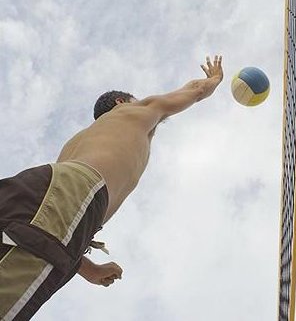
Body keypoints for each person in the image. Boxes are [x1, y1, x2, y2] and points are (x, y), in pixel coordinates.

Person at [0, 55, 223, 320]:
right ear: (120, 102)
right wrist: (213, 80)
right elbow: (195, 91)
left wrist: (89, 269)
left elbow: (49, 224)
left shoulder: (77, 143)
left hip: (38, 186)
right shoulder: (135, 111)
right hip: (76, 189)